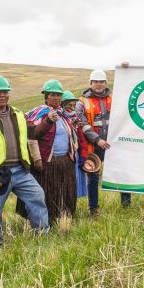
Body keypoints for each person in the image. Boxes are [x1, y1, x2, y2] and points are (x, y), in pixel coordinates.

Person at [0, 76, 49, 248]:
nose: (3, 95)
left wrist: (48, 121)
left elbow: (32, 134)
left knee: (37, 196)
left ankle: (42, 234)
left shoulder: (18, 114)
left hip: (20, 170)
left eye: (5, 91)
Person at [25, 80, 88, 225]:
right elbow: (33, 136)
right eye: (53, 95)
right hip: (47, 161)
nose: (56, 98)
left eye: (59, 95)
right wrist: (37, 159)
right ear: (46, 97)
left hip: (65, 160)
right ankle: (46, 220)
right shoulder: (39, 114)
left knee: (65, 191)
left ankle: (65, 218)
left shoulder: (65, 115)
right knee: (48, 191)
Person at [75, 69, 130, 214]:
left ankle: (126, 205)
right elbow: (83, 124)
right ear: (90, 83)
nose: (99, 84)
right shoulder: (82, 102)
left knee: (122, 174)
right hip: (94, 146)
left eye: (101, 82)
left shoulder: (115, 97)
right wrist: (97, 140)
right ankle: (93, 209)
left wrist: (126, 69)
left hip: (114, 145)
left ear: (106, 83)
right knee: (93, 177)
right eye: (96, 82)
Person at [62, 90, 88, 199]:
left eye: (73, 104)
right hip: (63, 157)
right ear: (62, 105)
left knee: (74, 182)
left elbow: (82, 140)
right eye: (69, 104)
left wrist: (83, 155)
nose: (72, 107)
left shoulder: (76, 121)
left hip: (75, 156)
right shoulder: (59, 119)